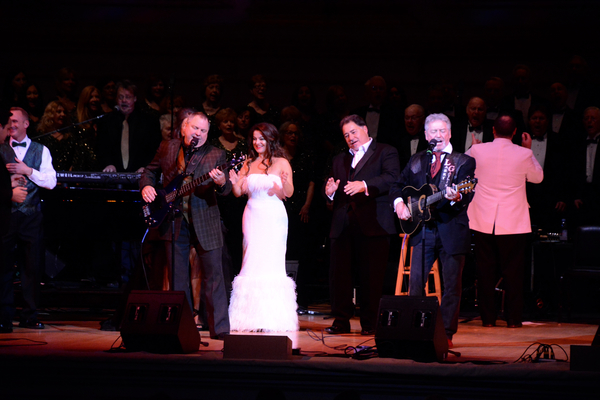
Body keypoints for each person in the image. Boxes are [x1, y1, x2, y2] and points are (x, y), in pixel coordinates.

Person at [140, 111, 231, 340]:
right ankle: (184, 327)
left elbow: (227, 189)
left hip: (206, 221)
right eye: (195, 129)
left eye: (203, 131)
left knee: (214, 277)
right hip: (173, 220)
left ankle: (219, 329)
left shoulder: (217, 154)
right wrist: (146, 187)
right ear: (184, 127)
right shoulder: (167, 147)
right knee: (178, 279)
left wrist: (221, 183)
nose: (198, 134)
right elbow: (150, 171)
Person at [391, 113, 475, 347]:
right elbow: (398, 186)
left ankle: (446, 334)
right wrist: (399, 204)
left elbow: (467, 193)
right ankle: (416, 330)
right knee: (416, 283)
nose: (437, 135)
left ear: (449, 133)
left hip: (452, 229)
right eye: (433, 132)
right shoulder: (418, 160)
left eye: (442, 131)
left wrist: (456, 195)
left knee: (451, 286)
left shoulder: (463, 161)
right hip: (422, 230)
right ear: (426, 135)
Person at [324, 114, 400, 335]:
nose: (350, 138)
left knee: (371, 277)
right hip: (343, 224)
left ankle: (370, 323)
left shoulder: (386, 151)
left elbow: (392, 177)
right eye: (346, 135)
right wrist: (328, 193)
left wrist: (364, 185)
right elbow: (331, 185)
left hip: (373, 223)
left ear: (366, 129)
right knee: (340, 277)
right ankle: (341, 320)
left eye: (353, 132)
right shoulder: (339, 159)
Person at [466, 114, 543, 328]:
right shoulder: (522, 153)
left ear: (493, 131)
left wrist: (474, 149)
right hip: (513, 221)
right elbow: (538, 178)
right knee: (514, 272)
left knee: (485, 271)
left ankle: (488, 320)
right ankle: (513, 319)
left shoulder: (477, 150)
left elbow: (460, 169)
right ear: (515, 132)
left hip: (483, 219)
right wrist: (528, 151)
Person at [228, 122, 298, 332]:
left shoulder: (281, 162)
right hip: (252, 215)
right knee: (251, 260)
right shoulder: (248, 163)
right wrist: (233, 182)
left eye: (262, 138)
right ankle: (247, 318)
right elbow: (238, 193)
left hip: (274, 217)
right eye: (255, 138)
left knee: (272, 263)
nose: (257, 142)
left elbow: (289, 193)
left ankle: (273, 318)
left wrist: (282, 183)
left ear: (271, 139)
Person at [0, 107, 57, 331]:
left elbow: (51, 182)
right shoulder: (0, 148)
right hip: (6, 215)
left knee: (32, 267)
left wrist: (28, 171)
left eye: (15, 121)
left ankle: (30, 315)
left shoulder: (41, 150)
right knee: (3, 267)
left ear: (26, 124)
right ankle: (4, 316)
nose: (11, 124)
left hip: (31, 217)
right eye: (9, 121)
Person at [97, 80, 161, 173]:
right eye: (120, 97)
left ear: (135, 98)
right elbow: (101, 148)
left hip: (142, 176)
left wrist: (146, 167)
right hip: (113, 176)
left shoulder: (149, 122)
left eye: (128, 97)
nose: (124, 101)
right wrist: (108, 164)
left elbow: (155, 149)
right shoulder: (106, 122)